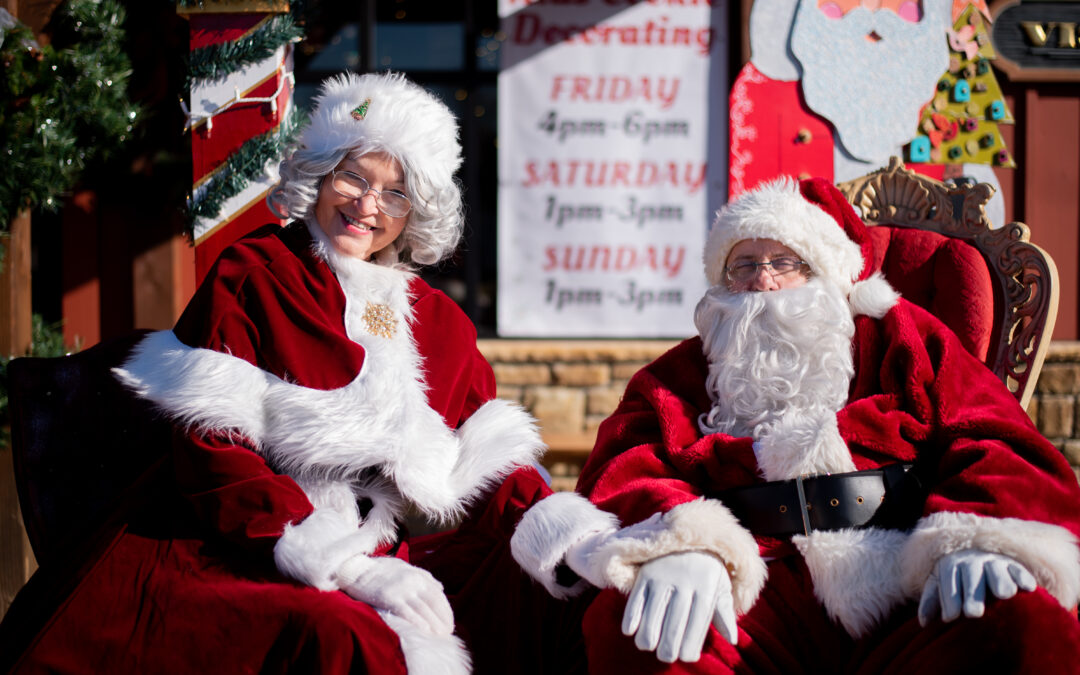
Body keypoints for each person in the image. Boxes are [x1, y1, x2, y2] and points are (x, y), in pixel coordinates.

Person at [0, 71, 569, 674]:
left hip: (378, 551)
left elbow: (491, 461)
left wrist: (568, 534)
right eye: (353, 177)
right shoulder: (256, 272)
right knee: (342, 635)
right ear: (321, 172)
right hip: (235, 539)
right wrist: (345, 563)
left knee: (527, 612)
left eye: (395, 194)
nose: (367, 206)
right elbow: (211, 447)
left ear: (415, 211)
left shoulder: (439, 319)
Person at [510, 177, 1080, 673]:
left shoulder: (901, 336)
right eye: (744, 265)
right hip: (754, 594)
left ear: (826, 273)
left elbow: (992, 436)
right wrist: (682, 542)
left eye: (784, 262)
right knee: (633, 626)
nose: (763, 281)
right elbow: (626, 465)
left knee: (1021, 622)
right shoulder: (681, 373)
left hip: (906, 584)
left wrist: (979, 533)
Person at [730, 0, 1005, 225]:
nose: (874, 21)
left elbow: (983, 213)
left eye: (903, 8)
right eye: (840, 7)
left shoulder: (950, 94)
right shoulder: (764, 92)